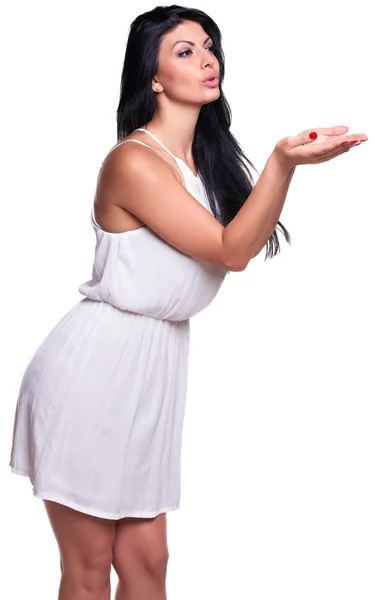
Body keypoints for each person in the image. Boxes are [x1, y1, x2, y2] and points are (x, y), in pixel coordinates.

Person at [9, 4, 367, 600]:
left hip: (152, 370)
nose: (206, 60)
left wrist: (278, 167)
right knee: (90, 568)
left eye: (209, 46)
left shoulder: (207, 160)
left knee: (149, 562)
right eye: (184, 51)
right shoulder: (134, 161)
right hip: (95, 375)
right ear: (152, 77)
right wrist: (283, 162)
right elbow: (230, 250)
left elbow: (242, 246)